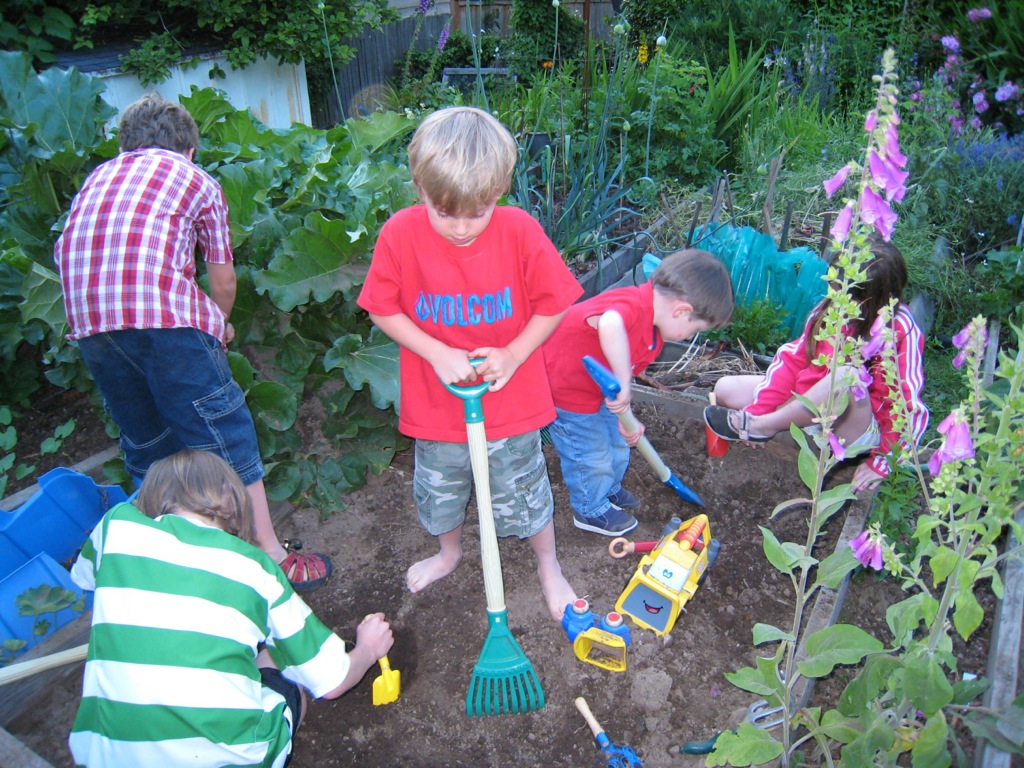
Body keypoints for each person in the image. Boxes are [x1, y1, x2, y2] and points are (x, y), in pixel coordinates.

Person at [52, 93, 331, 590]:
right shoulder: (195, 178)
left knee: (147, 444)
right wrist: (218, 325)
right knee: (226, 435)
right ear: (190, 148)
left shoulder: (97, 178)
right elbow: (222, 280)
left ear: (126, 145)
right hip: (167, 323)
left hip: (91, 324)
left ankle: (166, 562)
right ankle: (268, 555)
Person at [357, 106, 582, 621]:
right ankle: (449, 553)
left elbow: (555, 302)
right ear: (419, 188)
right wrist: (436, 352)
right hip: (437, 404)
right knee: (442, 487)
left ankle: (549, 565)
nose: (460, 227)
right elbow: (381, 307)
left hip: (511, 403)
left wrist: (514, 353)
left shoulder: (519, 231)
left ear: (499, 190)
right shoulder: (399, 234)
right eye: (445, 213)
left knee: (524, 487)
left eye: (477, 214)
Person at [67, 450, 394, 768]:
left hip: (101, 757)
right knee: (281, 670)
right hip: (227, 759)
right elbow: (332, 683)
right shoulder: (254, 567)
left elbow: (84, 578)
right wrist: (367, 648)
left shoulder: (115, 526)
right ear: (232, 501)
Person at [705, 238, 929, 494]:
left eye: (845, 296)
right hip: (811, 406)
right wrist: (759, 408)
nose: (835, 300)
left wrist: (883, 462)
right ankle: (764, 423)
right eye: (834, 289)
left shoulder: (900, 330)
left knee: (847, 377)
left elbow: (907, 407)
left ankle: (766, 426)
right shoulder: (828, 310)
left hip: (854, 425)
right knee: (725, 389)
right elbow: (791, 363)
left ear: (875, 299)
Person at [543, 249, 735, 536]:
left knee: (619, 441)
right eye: (694, 330)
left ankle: (608, 488)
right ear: (681, 311)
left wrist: (627, 417)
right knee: (590, 453)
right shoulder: (633, 305)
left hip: (597, 390)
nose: (689, 337)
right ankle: (590, 509)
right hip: (568, 391)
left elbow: (623, 369)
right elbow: (610, 323)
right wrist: (623, 383)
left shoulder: (655, 334)